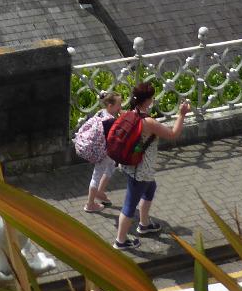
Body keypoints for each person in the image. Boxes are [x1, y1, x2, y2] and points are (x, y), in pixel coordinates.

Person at [110, 85, 191, 250]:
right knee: (129, 205)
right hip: (141, 170)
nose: (153, 100)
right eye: (151, 97)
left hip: (130, 165)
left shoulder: (129, 113)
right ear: (147, 100)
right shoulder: (148, 122)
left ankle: (144, 224)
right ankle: (120, 241)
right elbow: (173, 134)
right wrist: (182, 114)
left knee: (150, 188)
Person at [79, 92, 122, 213]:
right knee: (97, 175)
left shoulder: (101, 112)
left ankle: (100, 192)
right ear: (110, 105)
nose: (120, 107)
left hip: (99, 150)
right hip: (105, 152)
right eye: (119, 104)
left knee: (111, 167)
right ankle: (90, 204)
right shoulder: (111, 121)